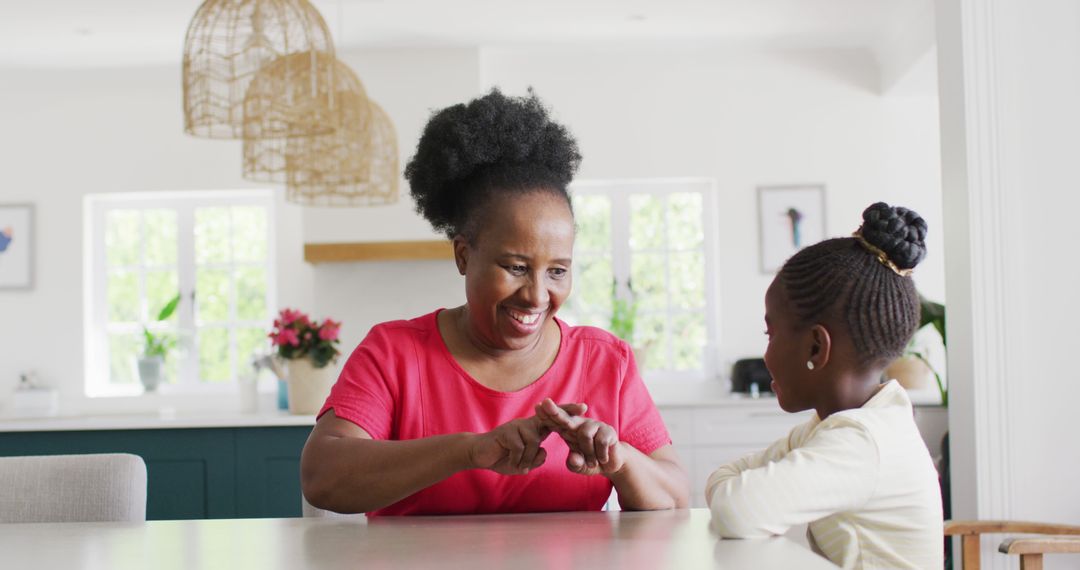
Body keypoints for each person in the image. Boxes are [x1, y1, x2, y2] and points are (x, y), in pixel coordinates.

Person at [300, 89, 689, 516]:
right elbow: (323, 479)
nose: (538, 295)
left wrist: (619, 461)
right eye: (516, 267)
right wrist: (468, 451)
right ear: (463, 255)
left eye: (557, 270)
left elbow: (674, 497)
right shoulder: (394, 352)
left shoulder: (605, 361)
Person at [706, 202, 943, 569]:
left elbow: (735, 509)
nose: (765, 354)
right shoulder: (838, 428)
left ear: (816, 346)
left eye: (770, 334)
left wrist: (731, 491)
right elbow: (722, 479)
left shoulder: (862, 443)